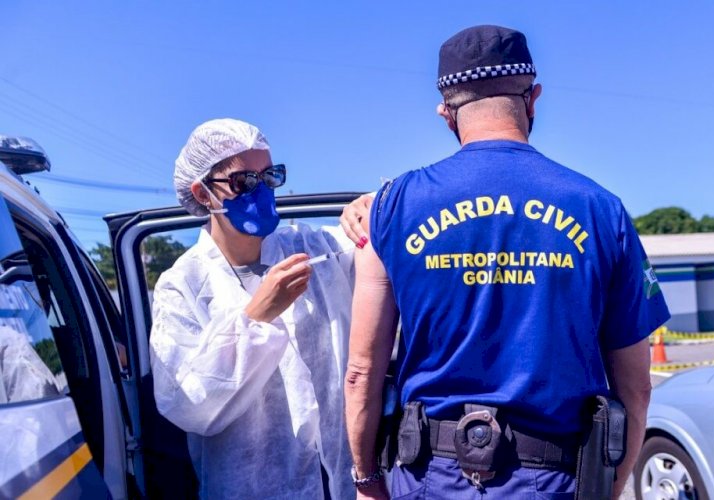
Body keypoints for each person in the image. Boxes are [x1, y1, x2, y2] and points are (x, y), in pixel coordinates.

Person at [344, 25, 670, 499]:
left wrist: (367, 478)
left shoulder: (392, 208)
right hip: (555, 480)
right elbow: (636, 387)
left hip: (428, 479)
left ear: (446, 113)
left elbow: (361, 372)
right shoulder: (602, 209)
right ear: (533, 98)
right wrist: (611, 486)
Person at [150, 118, 363, 499]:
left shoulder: (314, 249)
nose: (260, 190)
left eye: (269, 176)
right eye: (243, 181)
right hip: (252, 485)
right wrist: (256, 316)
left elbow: (378, 245)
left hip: (338, 478)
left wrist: (370, 208)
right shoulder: (183, 285)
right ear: (202, 193)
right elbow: (187, 404)